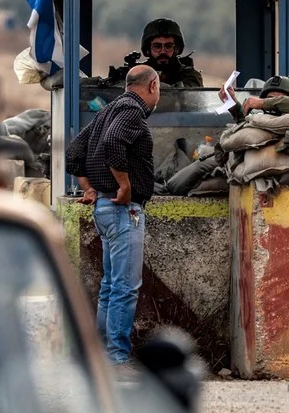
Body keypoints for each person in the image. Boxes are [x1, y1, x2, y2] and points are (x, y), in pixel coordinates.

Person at [65, 65, 160, 374]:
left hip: (105, 208)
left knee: (110, 285)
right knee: (124, 287)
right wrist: (124, 185)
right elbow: (113, 144)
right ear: (152, 85)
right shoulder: (132, 110)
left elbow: (74, 153)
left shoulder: (109, 110)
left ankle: (103, 357)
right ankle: (116, 358)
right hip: (123, 210)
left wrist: (90, 188)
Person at [139, 18, 203, 88]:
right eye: (157, 46)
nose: (163, 51)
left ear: (176, 48)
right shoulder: (137, 74)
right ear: (148, 48)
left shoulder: (190, 75)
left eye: (168, 46)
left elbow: (188, 92)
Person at [219, 75, 289, 123]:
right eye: (270, 99)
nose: (273, 102)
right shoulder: (260, 120)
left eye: (279, 99)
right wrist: (230, 100)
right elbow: (243, 119)